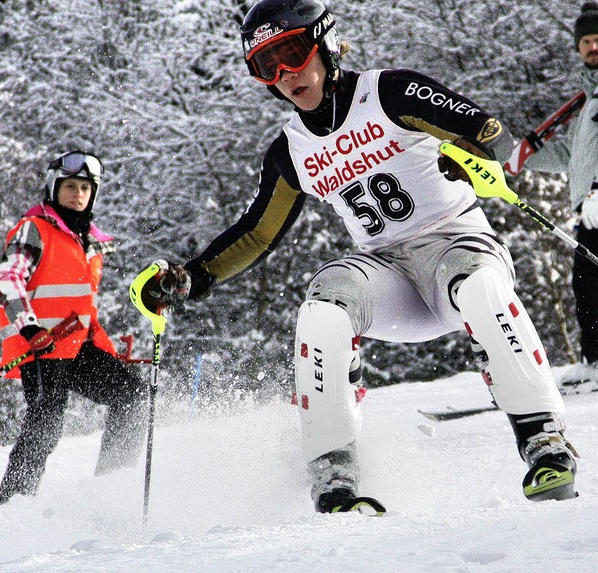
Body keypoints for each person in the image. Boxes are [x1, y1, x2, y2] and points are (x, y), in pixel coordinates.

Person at [140, 0, 578, 511]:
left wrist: (477, 155)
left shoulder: (389, 92)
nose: (285, 75)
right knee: (324, 303)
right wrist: (191, 277)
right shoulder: (291, 150)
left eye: (292, 53)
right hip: (389, 274)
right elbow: (257, 234)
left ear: (323, 43)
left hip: (456, 246)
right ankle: (334, 477)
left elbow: (488, 131)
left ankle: (544, 442)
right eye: (266, 67)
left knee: (480, 287)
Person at [0, 150, 148, 506]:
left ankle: (109, 489)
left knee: (132, 396)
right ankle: (11, 507)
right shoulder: (35, 229)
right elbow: (9, 279)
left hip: (76, 345)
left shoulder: (88, 241)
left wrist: (103, 347)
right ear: (54, 188)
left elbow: (80, 304)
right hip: (42, 347)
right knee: (45, 427)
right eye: (69, 186)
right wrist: (30, 329)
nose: (77, 194)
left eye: (84, 187)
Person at [523, 2, 598, 387]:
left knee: (591, 283)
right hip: (590, 210)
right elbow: (571, 155)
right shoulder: (589, 100)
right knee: (586, 285)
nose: (592, 47)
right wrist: (512, 155)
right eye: (586, 40)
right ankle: (594, 362)